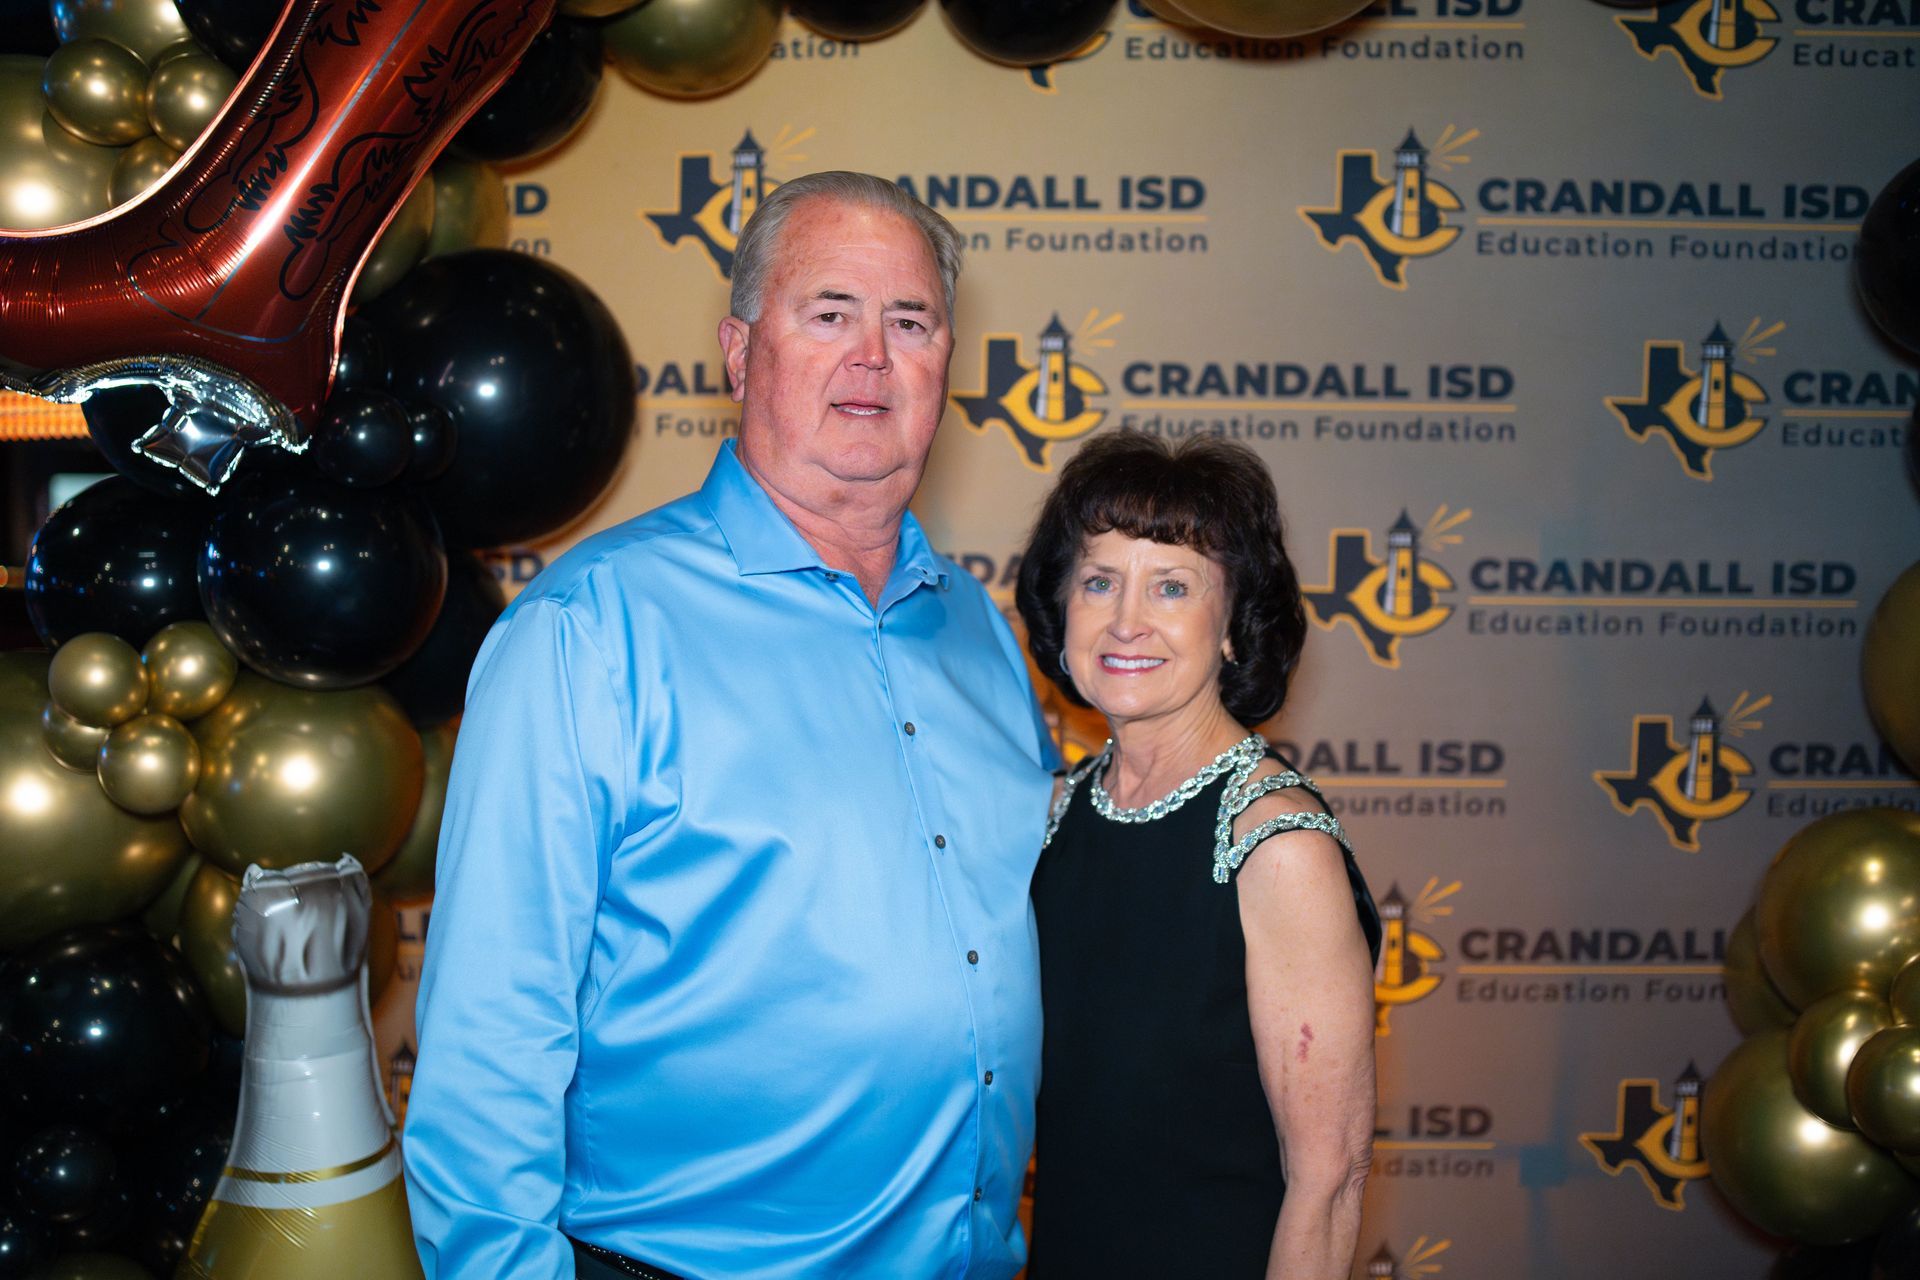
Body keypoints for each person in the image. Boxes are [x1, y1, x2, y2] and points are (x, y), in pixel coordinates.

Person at [403, 172, 1058, 1280]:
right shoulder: (588, 630)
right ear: (740, 352)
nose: (874, 356)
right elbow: (488, 1045)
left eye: (911, 322)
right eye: (830, 313)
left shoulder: (983, 636)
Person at [1015, 432, 1383, 1279]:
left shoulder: (1277, 845)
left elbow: (1328, 1178)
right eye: (1099, 581)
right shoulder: (1063, 812)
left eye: (1172, 586)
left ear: (1231, 627)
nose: (1125, 621)